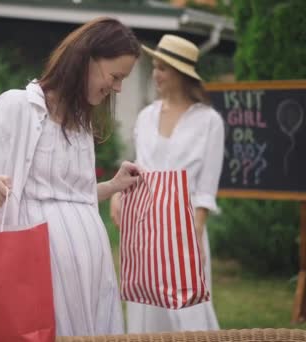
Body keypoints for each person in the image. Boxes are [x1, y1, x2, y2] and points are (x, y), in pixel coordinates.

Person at [0, 17, 142, 336]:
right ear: (87, 60)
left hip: (91, 278)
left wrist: (113, 186)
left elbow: (73, 198)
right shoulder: (17, 107)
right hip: (39, 272)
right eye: (115, 76)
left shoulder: (81, 125)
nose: (118, 87)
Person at [110, 34, 224, 332]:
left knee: (189, 310)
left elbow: (207, 187)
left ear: (181, 74)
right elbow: (137, 167)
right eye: (155, 66)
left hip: (184, 227)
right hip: (144, 225)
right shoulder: (146, 116)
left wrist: (195, 235)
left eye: (162, 68)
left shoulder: (209, 121)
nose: (156, 74)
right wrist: (118, 195)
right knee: (145, 304)